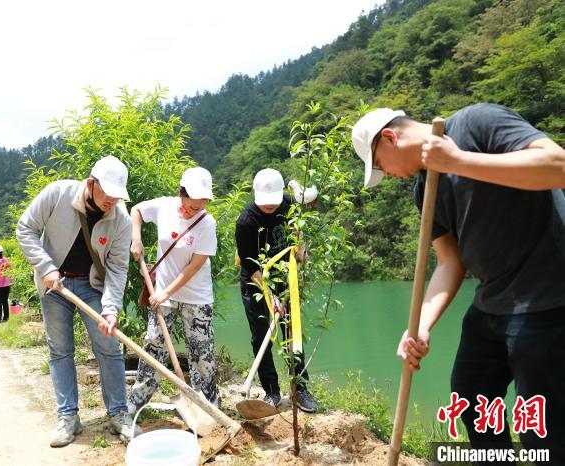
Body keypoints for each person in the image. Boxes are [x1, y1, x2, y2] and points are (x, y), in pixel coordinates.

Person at [352, 104, 565, 463]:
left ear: (389, 138)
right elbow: (450, 262)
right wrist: (420, 325)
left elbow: (557, 166)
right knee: (471, 393)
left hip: (548, 297)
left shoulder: (477, 123)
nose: (387, 174)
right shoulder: (426, 190)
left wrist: (457, 161)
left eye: (379, 165)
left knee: (544, 429)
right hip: (493, 300)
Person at [16, 155, 140, 447]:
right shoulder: (57, 193)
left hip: (90, 285)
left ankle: (119, 414)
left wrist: (110, 310)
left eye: (117, 196)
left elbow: (118, 268)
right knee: (60, 350)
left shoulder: (120, 220)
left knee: (109, 348)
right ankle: (68, 417)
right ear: (90, 183)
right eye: (107, 194)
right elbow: (25, 229)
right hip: (54, 285)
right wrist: (45, 266)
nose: (112, 200)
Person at [128, 167, 219, 412]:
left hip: (196, 296)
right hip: (162, 293)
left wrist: (166, 293)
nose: (194, 210)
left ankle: (209, 406)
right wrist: (136, 238)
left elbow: (194, 267)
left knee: (202, 351)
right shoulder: (165, 206)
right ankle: (136, 401)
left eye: (201, 206)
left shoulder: (207, 224)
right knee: (154, 344)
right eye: (190, 206)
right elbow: (136, 210)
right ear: (181, 193)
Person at [234, 168, 319, 412]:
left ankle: (300, 389)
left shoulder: (289, 205)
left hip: (285, 277)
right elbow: (251, 266)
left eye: (275, 202)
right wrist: (270, 296)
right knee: (261, 335)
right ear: (255, 193)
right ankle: (271, 390)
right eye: (266, 203)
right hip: (256, 282)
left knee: (293, 333)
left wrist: (301, 250)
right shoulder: (246, 221)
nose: (270, 207)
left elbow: (297, 228)